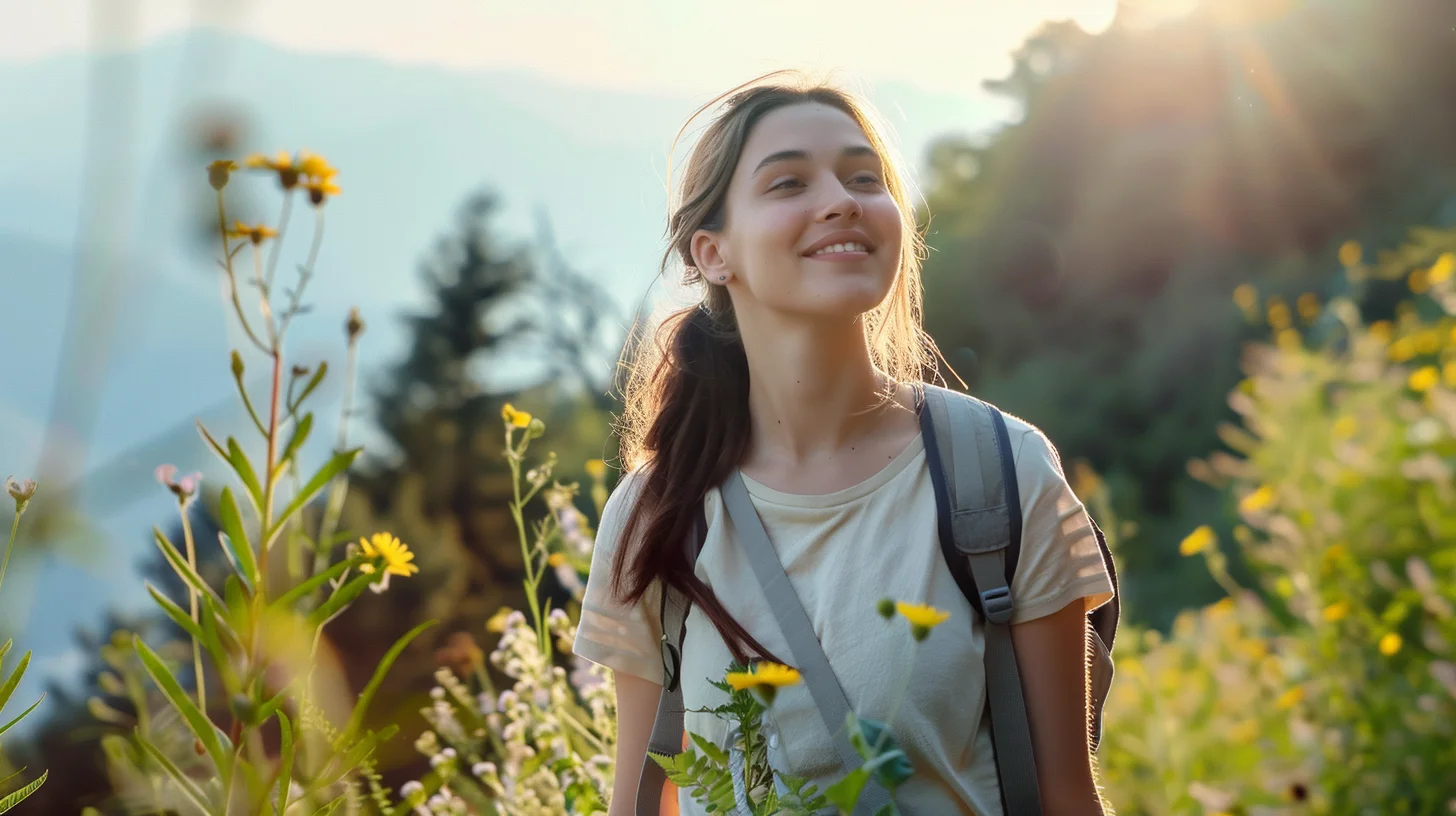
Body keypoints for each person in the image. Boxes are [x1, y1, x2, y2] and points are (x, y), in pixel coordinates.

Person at [571, 73, 1115, 816]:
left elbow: (1065, 796)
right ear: (712, 253)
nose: (841, 200)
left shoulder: (1000, 473)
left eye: (864, 177)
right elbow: (642, 802)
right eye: (789, 182)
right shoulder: (656, 513)